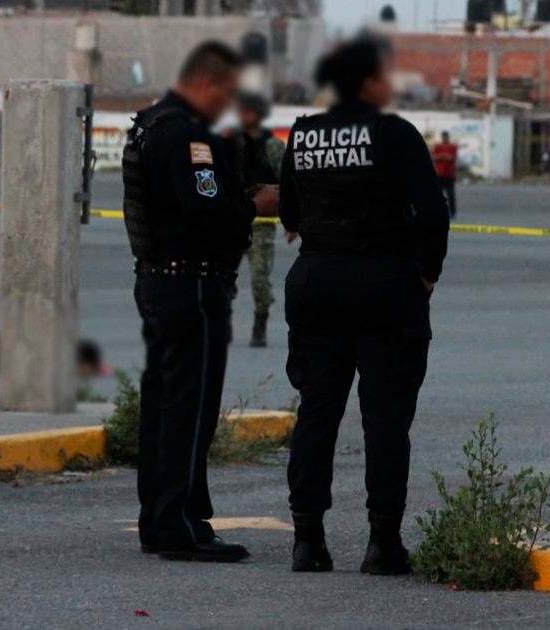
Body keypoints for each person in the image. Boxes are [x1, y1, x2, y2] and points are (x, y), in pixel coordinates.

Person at [279, 36, 450, 575]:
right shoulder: (395, 134)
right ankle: (382, 544)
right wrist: (426, 275)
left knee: (316, 413)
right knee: (385, 418)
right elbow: (432, 213)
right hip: (384, 285)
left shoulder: (303, 134)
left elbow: (288, 212)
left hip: (316, 282)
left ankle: (307, 541)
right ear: (369, 82)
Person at [123, 41, 280, 563]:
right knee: (189, 407)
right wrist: (256, 204)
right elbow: (205, 208)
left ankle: (159, 519)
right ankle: (182, 525)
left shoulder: (152, 122)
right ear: (209, 85)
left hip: (161, 280)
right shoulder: (188, 131)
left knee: (164, 405)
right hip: (190, 284)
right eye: (228, 95)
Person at [223, 93, 287, 348]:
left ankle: (260, 325)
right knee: (222, 275)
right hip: (234, 217)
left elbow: (287, 182)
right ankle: (223, 321)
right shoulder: (228, 141)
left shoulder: (272, 145)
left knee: (260, 279)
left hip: (261, 221)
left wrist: (290, 218)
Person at [432, 131, 458, 220]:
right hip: (440, 174)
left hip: (450, 175)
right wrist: (443, 156)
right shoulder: (438, 146)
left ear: (448, 137)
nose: (445, 138)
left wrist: (441, 156)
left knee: (451, 195)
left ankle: (452, 212)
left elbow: (452, 158)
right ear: (442, 137)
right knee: (437, 195)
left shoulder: (453, 146)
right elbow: (434, 158)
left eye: (446, 137)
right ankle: (437, 211)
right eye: (443, 137)